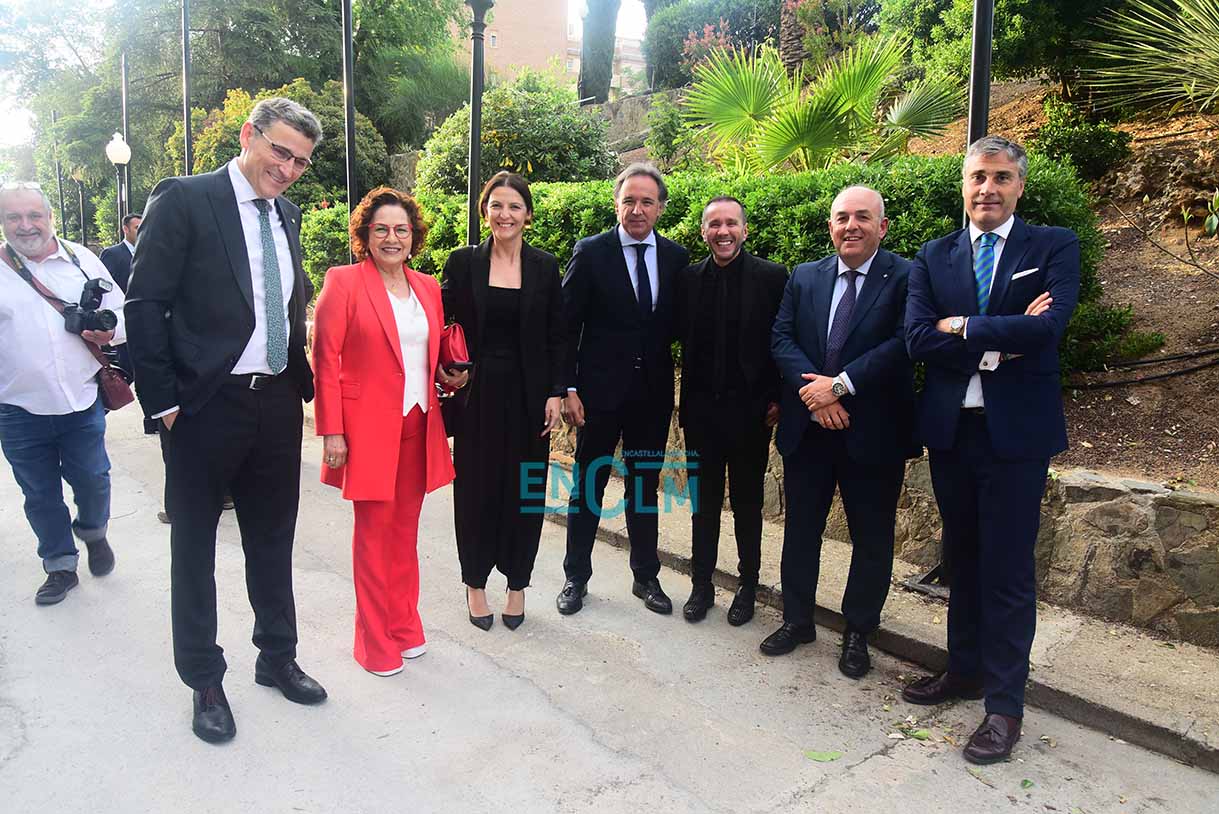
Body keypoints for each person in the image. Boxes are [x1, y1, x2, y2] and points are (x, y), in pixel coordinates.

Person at [125, 98, 328, 744]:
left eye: (300, 161)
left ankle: (276, 657)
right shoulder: (185, 199)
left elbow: (282, 304)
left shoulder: (287, 213)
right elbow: (144, 303)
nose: (288, 169)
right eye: (280, 151)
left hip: (276, 403)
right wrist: (165, 404)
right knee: (194, 549)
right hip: (204, 405)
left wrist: (298, 385)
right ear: (249, 135)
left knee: (273, 539)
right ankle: (204, 680)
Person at [902, 136, 1080, 764]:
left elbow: (1048, 329)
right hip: (953, 432)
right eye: (978, 176)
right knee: (963, 559)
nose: (988, 188)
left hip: (1015, 438)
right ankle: (965, 670)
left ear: (1019, 186)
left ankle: (1005, 707)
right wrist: (1005, 338)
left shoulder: (1052, 246)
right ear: (964, 184)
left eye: (1002, 177)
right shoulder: (935, 255)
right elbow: (918, 339)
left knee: (1006, 572)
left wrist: (963, 326)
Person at [766, 186, 918, 677]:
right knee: (801, 531)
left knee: (871, 537)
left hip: (872, 431)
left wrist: (841, 386)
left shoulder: (907, 276)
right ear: (830, 226)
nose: (851, 226)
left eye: (862, 217)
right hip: (809, 427)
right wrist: (816, 395)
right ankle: (797, 620)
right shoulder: (805, 276)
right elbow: (782, 338)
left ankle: (858, 632)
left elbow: (903, 342)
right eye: (842, 217)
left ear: (882, 226)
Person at [313, 187, 463, 675]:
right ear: (366, 234)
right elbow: (325, 360)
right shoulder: (343, 282)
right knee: (374, 538)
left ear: (413, 236)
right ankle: (373, 641)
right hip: (366, 431)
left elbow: (424, 357)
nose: (392, 238)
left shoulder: (427, 287)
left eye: (401, 229)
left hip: (419, 424)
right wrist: (332, 430)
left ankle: (403, 624)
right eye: (381, 229)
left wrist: (449, 374)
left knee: (404, 533)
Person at [557, 163, 690, 616]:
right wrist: (567, 387)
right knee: (588, 485)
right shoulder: (591, 252)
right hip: (597, 394)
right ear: (616, 204)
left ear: (660, 208)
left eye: (646, 201)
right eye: (629, 200)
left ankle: (645, 576)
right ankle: (576, 577)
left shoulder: (675, 258)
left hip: (651, 395)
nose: (637, 209)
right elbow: (566, 326)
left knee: (644, 487)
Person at [442, 172, 564, 631]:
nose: (505, 214)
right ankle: (475, 583)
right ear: (484, 210)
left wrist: (556, 392)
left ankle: (517, 585)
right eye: (496, 205)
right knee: (475, 491)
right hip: (476, 396)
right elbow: (439, 320)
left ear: (528, 214)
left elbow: (558, 335)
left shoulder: (545, 267)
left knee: (525, 492)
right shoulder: (463, 262)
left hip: (530, 399)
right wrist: (444, 369)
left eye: (514, 206)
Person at [0, 183, 122, 605]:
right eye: (14, 217)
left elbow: (122, 313)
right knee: (40, 494)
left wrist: (108, 331)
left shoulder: (81, 260)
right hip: (17, 408)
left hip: (80, 400)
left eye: (34, 215)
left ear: (50, 217)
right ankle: (60, 565)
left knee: (93, 479)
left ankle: (93, 531)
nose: (26, 225)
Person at [674, 196, 786, 626]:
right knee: (702, 506)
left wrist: (778, 396)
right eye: (715, 224)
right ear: (704, 231)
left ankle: (747, 586)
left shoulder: (772, 277)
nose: (723, 232)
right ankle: (701, 585)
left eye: (731, 224)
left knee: (747, 505)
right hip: (701, 413)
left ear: (744, 230)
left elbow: (783, 340)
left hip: (751, 414)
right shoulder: (687, 280)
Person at [99, 212, 141, 293]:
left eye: (143, 228)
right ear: (125, 229)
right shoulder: (111, 254)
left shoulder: (148, 254)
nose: (141, 232)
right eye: (137, 228)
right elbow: (105, 285)